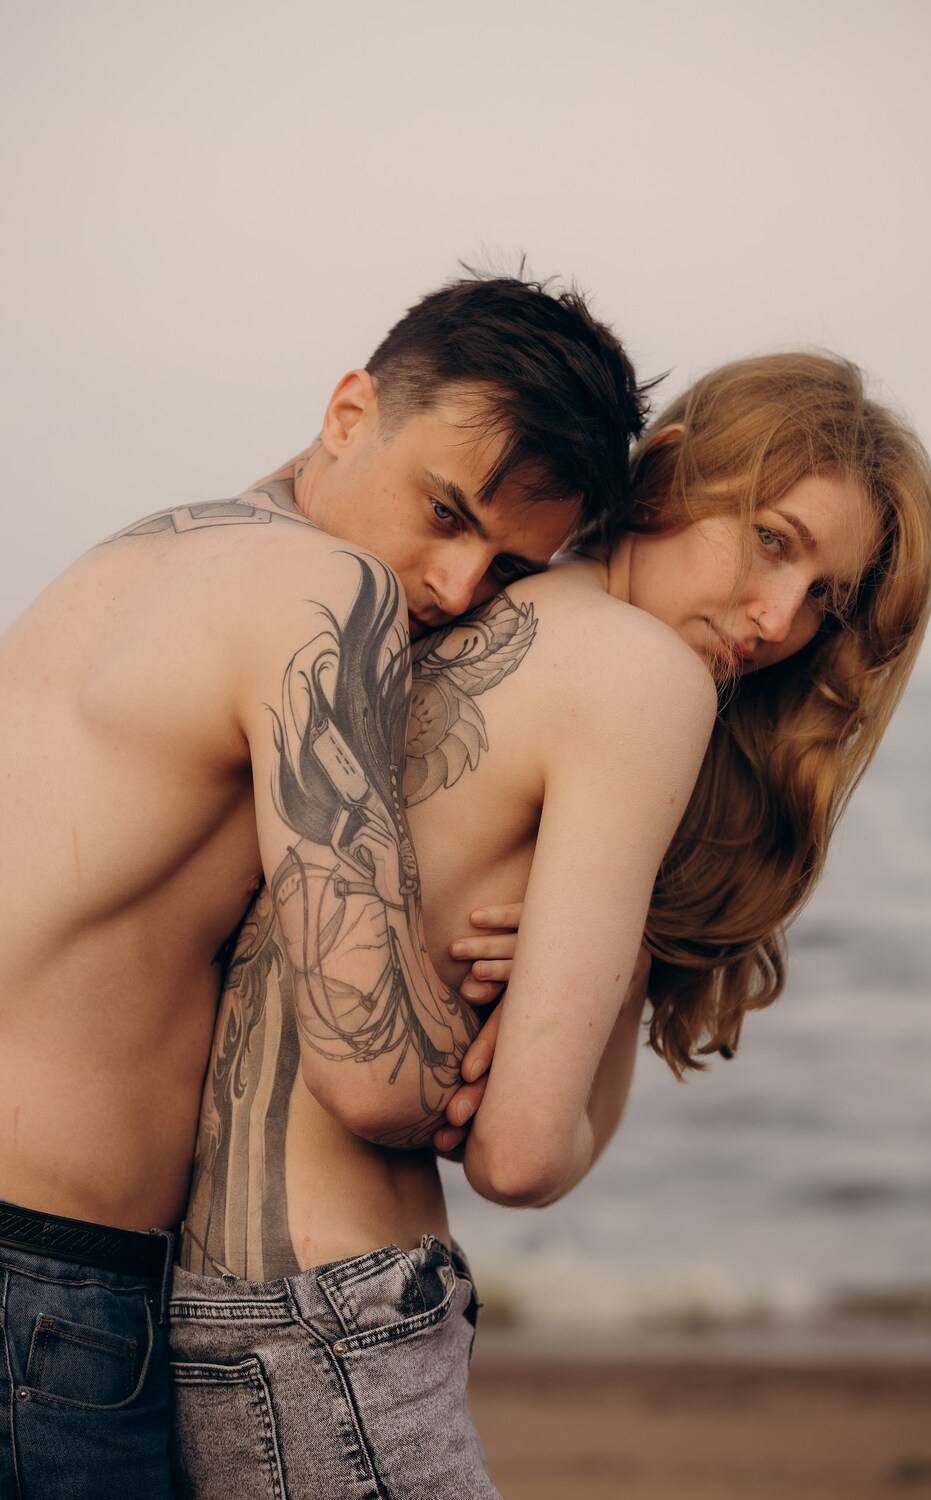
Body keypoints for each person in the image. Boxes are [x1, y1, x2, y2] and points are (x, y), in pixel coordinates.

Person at [169, 352, 931, 1498]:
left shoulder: (465, 609)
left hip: (201, 1302)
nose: (780, 619)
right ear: (668, 470)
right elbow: (521, 1155)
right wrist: (616, 965)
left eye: (827, 597)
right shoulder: (643, 679)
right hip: (340, 1315)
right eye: (771, 540)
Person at [0, 272, 645, 1500]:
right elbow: (374, 1075)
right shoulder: (329, 593)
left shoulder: (145, 552)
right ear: (350, 411)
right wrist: (574, 980)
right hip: (44, 1287)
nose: (455, 584)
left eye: (510, 566)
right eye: (445, 512)